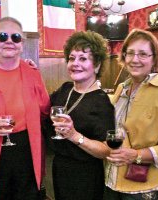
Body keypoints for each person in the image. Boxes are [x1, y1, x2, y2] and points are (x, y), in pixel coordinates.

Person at [0, 17, 50, 200]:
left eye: (16, 37)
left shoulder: (32, 73)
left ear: (22, 44)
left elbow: (45, 110)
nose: (9, 41)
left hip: (27, 152)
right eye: (2, 36)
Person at [104, 29, 158, 200]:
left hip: (144, 188)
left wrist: (136, 155)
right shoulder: (122, 88)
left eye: (143, 54)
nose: (135, 59)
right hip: (113, 180)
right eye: (130, 53)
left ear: (154, 59)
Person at [45, 30, 115, 200]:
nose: (75, 63)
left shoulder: (102, 101)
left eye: (83, 59)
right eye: (71, 58)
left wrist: (74, 135)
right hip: (59, 168)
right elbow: (42, 109)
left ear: (97, 65)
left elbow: (106, 150)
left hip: (85, 175)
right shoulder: (65, 89)